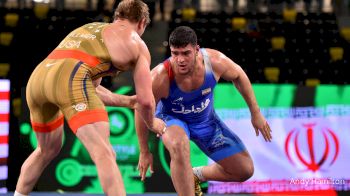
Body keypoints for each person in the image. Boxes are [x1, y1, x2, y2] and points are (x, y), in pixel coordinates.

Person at [14, 0, 166, 196]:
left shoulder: (89, 28)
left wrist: (128, 101)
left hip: (38, 79)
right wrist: (152, 122)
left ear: (116, 17)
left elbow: (89, 88)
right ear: (142, 23)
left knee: (47, 149)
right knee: (104, 152)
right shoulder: (136, 42)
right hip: (70, 78)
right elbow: (146, 100)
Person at [135, 26, 272, 196]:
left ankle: (195, 175)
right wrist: (144, 150)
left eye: (186, 53)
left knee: (244, 170)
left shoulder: (214, 62)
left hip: (205, 121)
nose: (180, 60)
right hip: (171, 119)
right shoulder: (160, 77)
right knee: (179, 144)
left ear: (197, 49)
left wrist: (255, 112)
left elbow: (239, 75)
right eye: (175, 53)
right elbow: (140, 107)